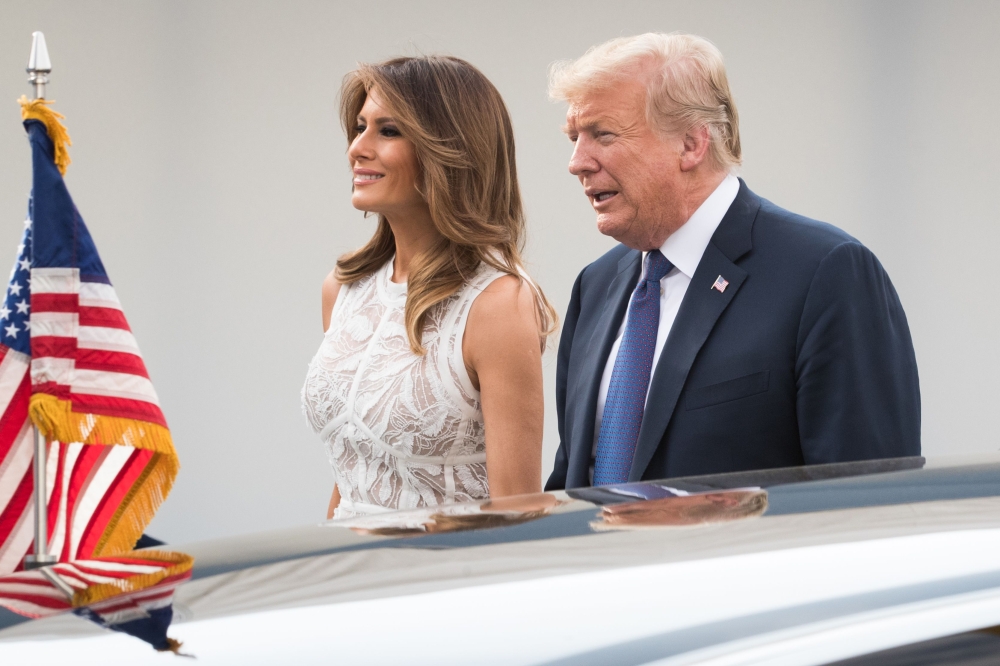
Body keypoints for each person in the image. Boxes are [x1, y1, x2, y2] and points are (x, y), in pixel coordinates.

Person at [545, 33, 920, 491]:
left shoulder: (826, 273)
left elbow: (867, 501)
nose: (577, 162)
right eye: (574, 137)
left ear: (690, 144)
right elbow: (571, 483)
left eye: (602, 134)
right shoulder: (596, 286)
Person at [303, 56, 557, 519]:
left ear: (449, 151)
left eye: (388, 130)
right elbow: (354, 469)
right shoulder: (342, 290)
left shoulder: (498, 304)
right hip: (348, 572)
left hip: (443, 581)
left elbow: (517, 513)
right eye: (360, 127)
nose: (357, 148)